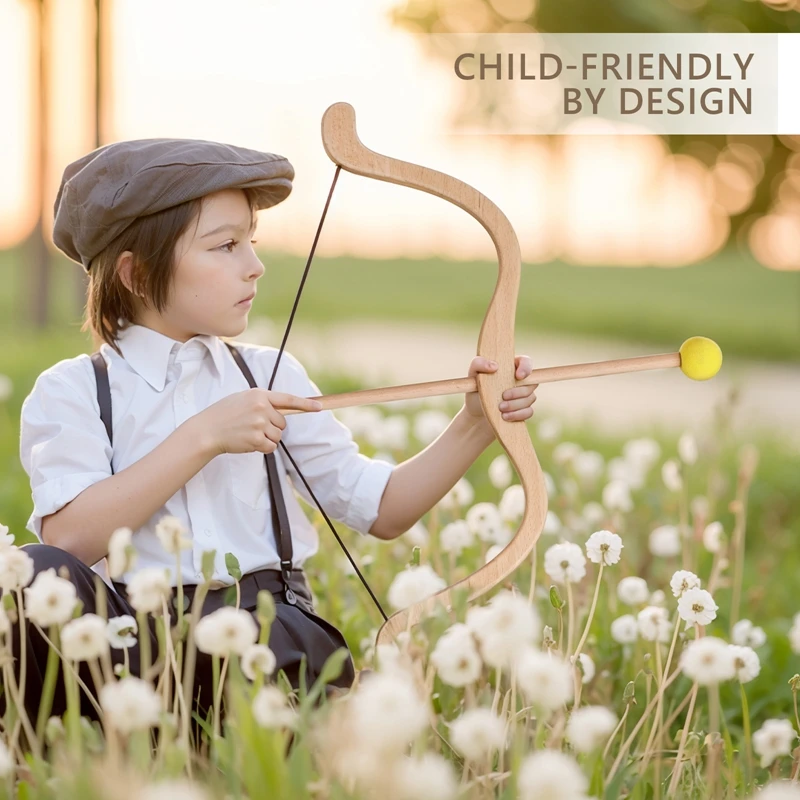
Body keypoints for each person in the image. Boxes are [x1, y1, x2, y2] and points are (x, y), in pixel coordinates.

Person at [9, 136, 537, 726]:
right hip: (132, 651)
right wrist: (205, 435)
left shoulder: (268, 373)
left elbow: (383, 509)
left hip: (263, 637)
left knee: (261, 671)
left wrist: (476, 423)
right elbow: (69, 539)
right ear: (135, 272)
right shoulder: (74, 389)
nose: (254, 265)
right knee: (32, 574)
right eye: (226, 245)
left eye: (251, 242)